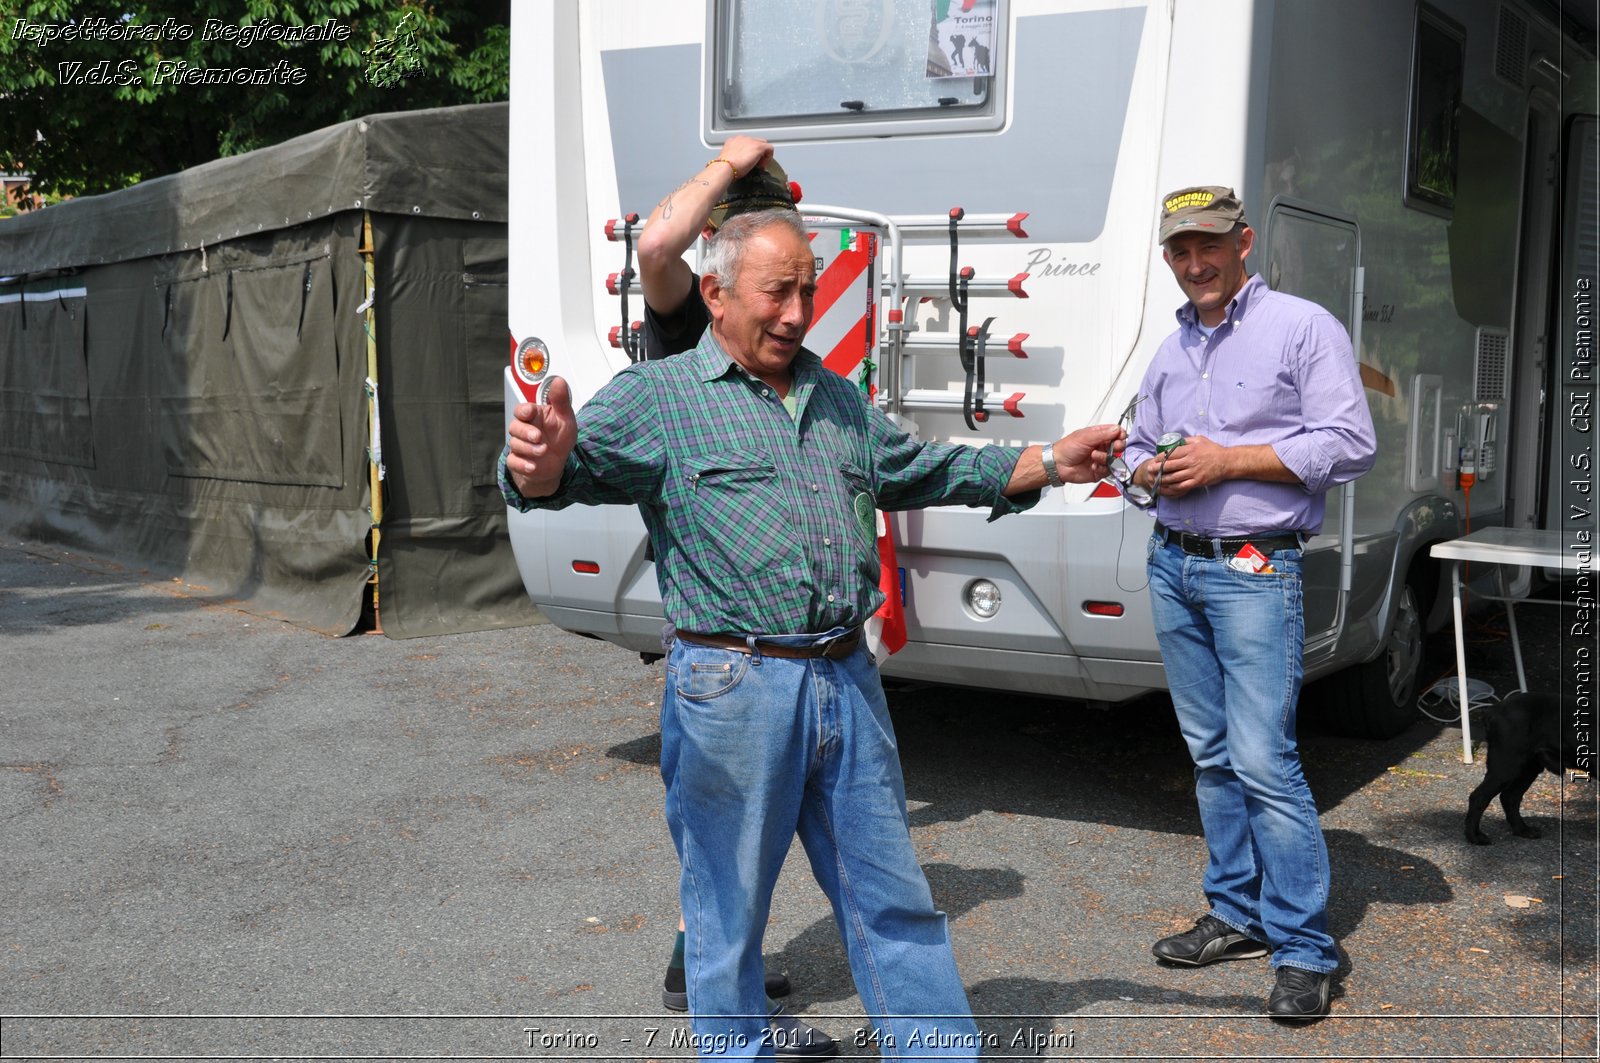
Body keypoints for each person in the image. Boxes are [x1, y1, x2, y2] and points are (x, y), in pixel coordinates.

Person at [499, 208, 1123, 1060]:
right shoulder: (660, 398)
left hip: (845, 678)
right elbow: (554, 473)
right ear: (714, 295)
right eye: (776, 292)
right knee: (725, 908)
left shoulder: (835, 398)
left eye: (807, 289)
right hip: (732, 685)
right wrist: (537, 464)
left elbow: (928, 468)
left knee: (892, 893)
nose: (797, 311)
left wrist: (1049, 460)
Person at [1119, 186, 1376, 1023]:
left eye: (1209, 246)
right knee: (1211, 752)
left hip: (1256, 566)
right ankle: (1236, 912)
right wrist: (1141, 471)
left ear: (1243, 243)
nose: (1195, 264)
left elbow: (1349, 442)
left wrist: (1229, 462)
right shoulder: (1168, 350)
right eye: (1180, 251)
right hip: (1175, 565)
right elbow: (1134, 446)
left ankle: (1304, 945)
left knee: (1265, 759)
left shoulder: (1302, 328)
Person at [635, 138, 838, 1059]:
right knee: (721, 829)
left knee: (724, 833)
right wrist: (730, 157)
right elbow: (655, 245)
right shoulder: (688, 312)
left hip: (770, 628)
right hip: (724, 628)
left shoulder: (768, 314)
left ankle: (712, 970)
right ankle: (723, 997)